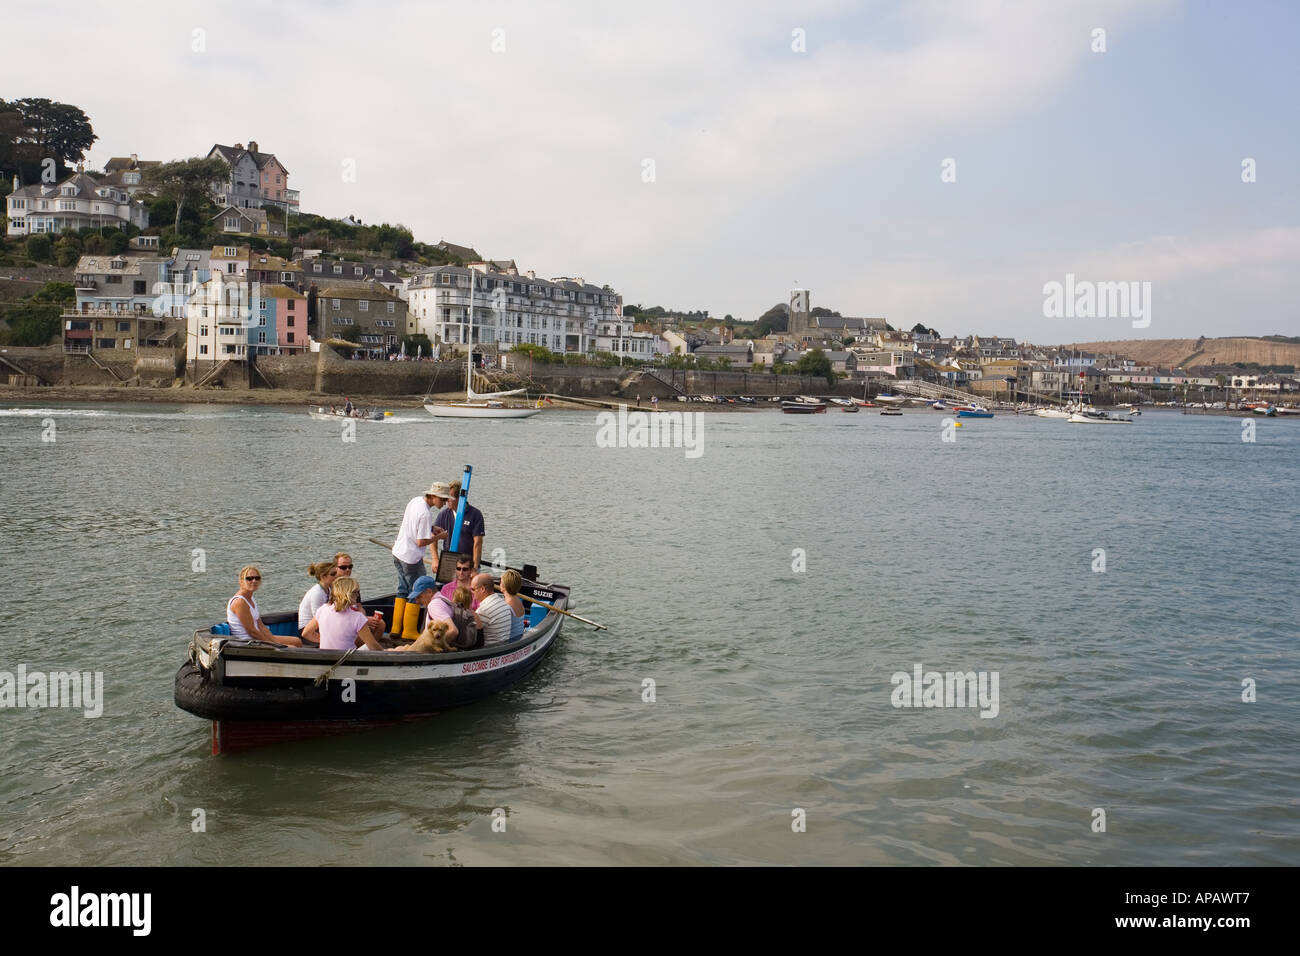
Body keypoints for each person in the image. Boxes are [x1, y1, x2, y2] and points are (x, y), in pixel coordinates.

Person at [391, 483, 452, 638]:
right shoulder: (426, 514)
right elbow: (420, 542)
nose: (444, 503)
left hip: (398, 552)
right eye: (443, 499)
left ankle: (396, 629)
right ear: (434, 497)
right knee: (417, 593)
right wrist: (439, 537)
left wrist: (431, 529)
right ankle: (410, 631)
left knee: (402, 590)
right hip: (411, 558)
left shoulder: (415, 501)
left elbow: (413, 524)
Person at [228, 566, 301, 647]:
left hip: (256, 639)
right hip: (247, 643)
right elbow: (252, 632)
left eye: (257, 578)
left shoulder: (250, 598)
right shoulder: (240, 602)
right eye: (249, 578)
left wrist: (276, 642)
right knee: (292, 648)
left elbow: (261, 626)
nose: (254, 581)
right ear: (241, 582)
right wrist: (273, 645)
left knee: (296, 641)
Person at [314, 577, 386, 651]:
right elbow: (373, 646)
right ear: (349, 594)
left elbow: (306, 633)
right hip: (347, 660)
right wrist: (387, 652)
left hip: (325, 658)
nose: (358, 595)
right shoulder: (357, 617)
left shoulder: (322, 609)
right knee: (397, 649)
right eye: (356, 592)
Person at [434, 481, 485, 570]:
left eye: (450, 498)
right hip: (448, 563)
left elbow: (478, 543)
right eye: (446, 498)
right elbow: (433, 537)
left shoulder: (475, 514)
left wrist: (475, 568)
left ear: (460, 498)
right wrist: (435, 559)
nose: (446, 501)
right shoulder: (443, 514)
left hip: (467, 566)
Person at [297, 560, 339, 642]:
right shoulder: (317, 593)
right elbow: (318, 618)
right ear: (323, 577)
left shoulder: (329, 589)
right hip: (308, 630)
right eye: (333, 574)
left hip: (319, 626)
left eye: (336, 573)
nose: (336, 576)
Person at [470, 573, 512, 646]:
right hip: (503, 646)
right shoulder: (503, 603)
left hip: (489, 651)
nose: (471, 592)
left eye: (473, 589)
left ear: (482, 589)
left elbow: (470, 633)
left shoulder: (484, 610)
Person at [500, 568, 527, 640]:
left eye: (501, 582)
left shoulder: (507, 606)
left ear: (504, 586)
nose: (500, 584)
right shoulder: (518, 600)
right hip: (519, 635)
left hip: (511, 640)